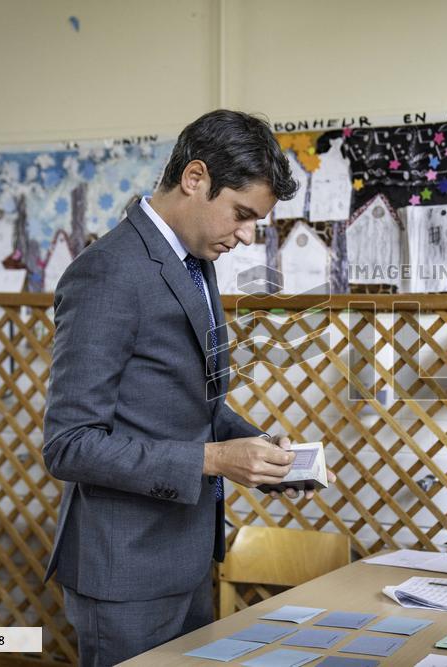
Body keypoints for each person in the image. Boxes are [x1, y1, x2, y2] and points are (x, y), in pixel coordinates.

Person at [43, 110, 333, 665]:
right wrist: (217, 459)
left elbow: (194, 403)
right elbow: (69, 444)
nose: (247, 236)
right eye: (242, 215)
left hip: (189, 554)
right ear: (195, 179)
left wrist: (263, 451)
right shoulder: (107, 272)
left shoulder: (195, 259)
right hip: (122, 572)